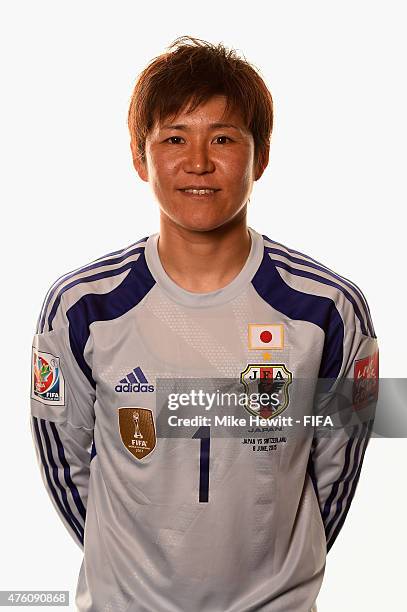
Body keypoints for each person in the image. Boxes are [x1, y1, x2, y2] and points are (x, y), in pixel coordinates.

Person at [30, 36, 378, 612]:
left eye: (222, 138)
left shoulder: (330, 310)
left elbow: (337, 471)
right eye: (174, 138)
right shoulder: (80, 307)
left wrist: (277, 575)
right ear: (140, 158)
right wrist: (130, 569)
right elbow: (61, 460)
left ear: (260, 156)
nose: (197, 162)